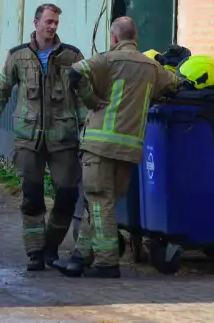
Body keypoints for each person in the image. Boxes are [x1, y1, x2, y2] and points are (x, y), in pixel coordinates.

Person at [56, 16, 180, 279]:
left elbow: (74, 72)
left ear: (114, 38)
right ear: (135, 37)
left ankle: (107, 262)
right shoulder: (151, 67)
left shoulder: (108, 59)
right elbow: (173, 85)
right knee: (103, 204)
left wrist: (90, 99)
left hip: (100, 145)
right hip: (129, 149)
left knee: (99, 202)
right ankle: (79, 257)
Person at [0, 3, 85, 271]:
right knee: (32, 198)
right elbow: (1, 91)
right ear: (36, 23)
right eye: (48, 22)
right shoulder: (18, 56)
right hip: (29, 139)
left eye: (56, 23)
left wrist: (86, 128)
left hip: (63, 138)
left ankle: (51, 246)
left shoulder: (72, 56)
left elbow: (84, 94)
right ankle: (35, 253)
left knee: (67, 195)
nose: (52, 27)